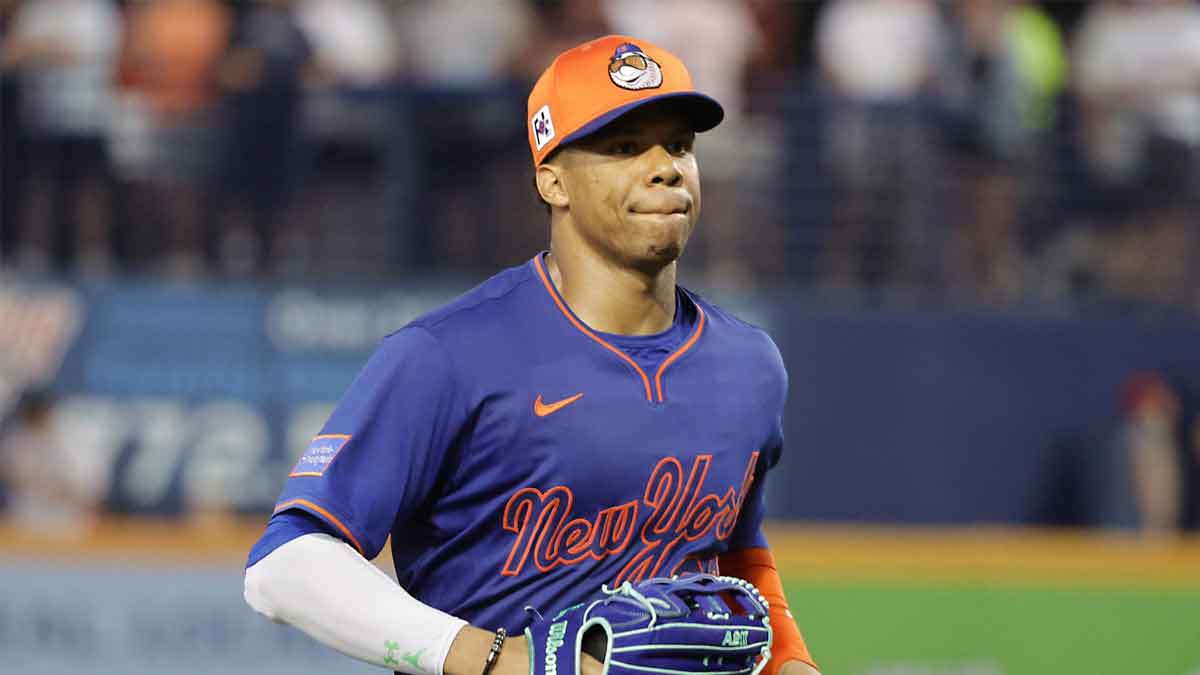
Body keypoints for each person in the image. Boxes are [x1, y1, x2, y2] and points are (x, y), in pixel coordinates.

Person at [243, 35, 820, 675]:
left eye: (679, 144)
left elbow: (737, 554)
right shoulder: (449, 355)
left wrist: (791, 661)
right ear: (552, 179)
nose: (665, 167)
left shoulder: (750, 364)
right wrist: (503, 661)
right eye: (624, 147)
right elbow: (284, 566)